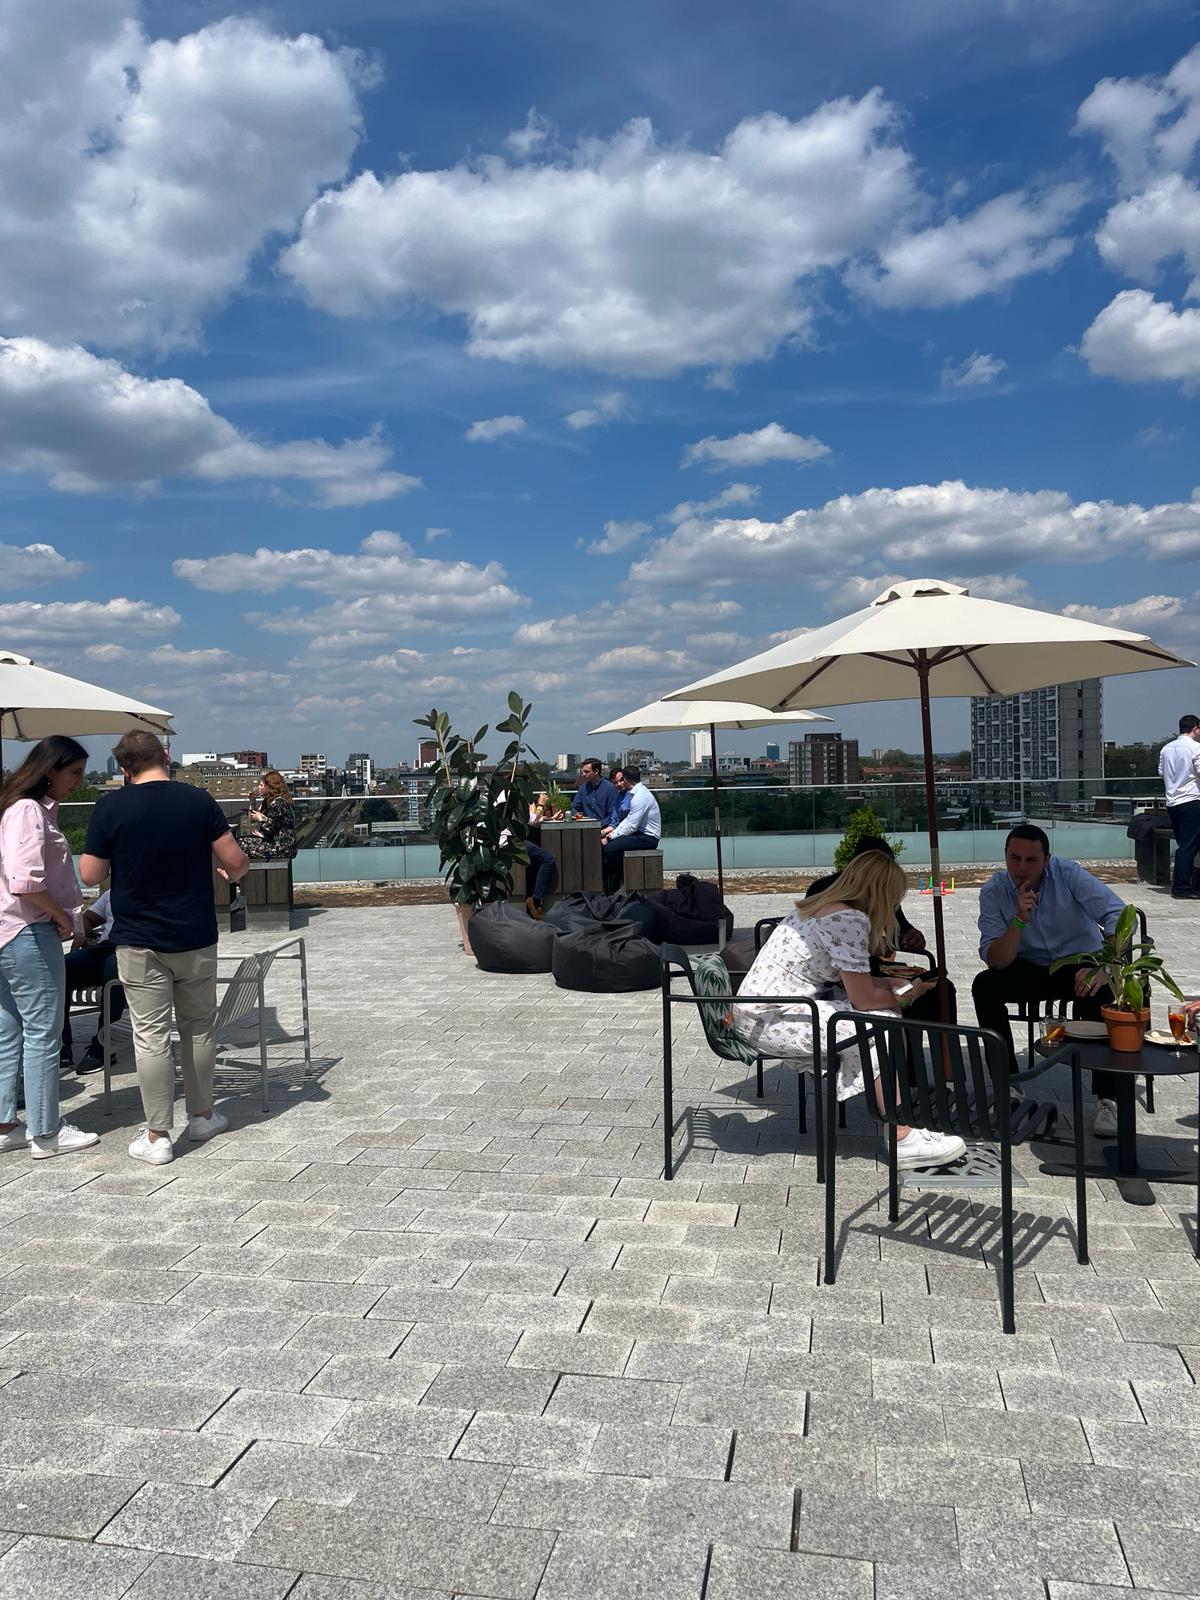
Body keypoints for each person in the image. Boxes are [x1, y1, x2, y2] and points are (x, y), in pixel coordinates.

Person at [733, 850, 966, 1169]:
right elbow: (863, 1000)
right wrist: (909, 994)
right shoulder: (849, 920)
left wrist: (884, 987)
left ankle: (898, 1127)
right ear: (882, 893)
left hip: (760, 1011)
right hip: (773, 1017)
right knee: (879, 1020)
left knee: (876, 1020)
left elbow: (858, 984)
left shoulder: (820, 907)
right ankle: (899, 1133)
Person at [80, 732, 249, 1166]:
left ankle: (157, 1135)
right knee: (199, 1027)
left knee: (150, 1036)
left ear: (123, 768)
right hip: (194, 934)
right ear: (166, 757)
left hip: (138, 939)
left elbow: (89, 872)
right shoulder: (198, 801)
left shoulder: (110, 807)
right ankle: (203, 1116)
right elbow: (236, 862)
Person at [971, 825, 1124, 1135]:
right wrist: (1018, 921)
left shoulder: (1068, 874)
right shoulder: (994, 890)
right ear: (1005, 857)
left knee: (1103, 991)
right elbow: (995, 959)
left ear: (1047, 860)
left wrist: (1103, 966)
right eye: (1014, 859)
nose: (1022, 868)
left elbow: (1117, 914)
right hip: (1031, 965)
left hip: (1080, 962)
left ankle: (1107, 1098)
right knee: (984, 985)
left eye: (1031, 860)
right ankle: (1007, 1086)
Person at [0, 736, 100, 1158]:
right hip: (28, 930)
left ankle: (7, 1124)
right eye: (74, 772)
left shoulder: (17, 809)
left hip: (8, 932)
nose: (78, 781)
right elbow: (25, 881)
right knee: (42, 1032)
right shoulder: (28, 811)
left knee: (8, 1031)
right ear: (49, 770)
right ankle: (46, 1131)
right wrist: (63, 916)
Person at [806, 837, 957, 1024]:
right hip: (840, 981)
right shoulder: (845, 913)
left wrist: (911, 937)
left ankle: (937, 1049)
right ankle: (923, 1050)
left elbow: (899, 932)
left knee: (940, 987)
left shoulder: (863, 895)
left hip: (853, 976)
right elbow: (863, 997)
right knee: (904, 1007)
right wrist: (911, 993)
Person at [62, 887, 125, 1072]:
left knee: (115, 970)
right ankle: (61, 1045)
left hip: (130, 951)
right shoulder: (112, 893)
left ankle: (103, 1045)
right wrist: (81, 932)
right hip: (102, 949)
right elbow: (89, 918)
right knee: (58, 970)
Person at [600, 764, 661, 892]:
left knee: (609, 848)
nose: (621, 783)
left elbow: (632, 825)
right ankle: (613, 886)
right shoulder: (635, 793)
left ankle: (616, 887)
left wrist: (610, 837)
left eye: (622, 780)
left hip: (648, 838)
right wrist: (612, 835)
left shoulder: (640, 797)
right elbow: (627, 821)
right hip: (640, 834)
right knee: (611, 848)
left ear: (626, 779)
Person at [1158, 715, 1200, 899]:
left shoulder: (1166, 749)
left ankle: (1188, 883)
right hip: (1192, 801)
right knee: (1188, 847)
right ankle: (1181, 887)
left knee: (1185, 844)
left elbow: (1161, 772)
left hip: (1173, 802)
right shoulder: (1195, 748)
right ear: (1196, 728)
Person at [242, 770, 297, 860]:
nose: (258, 788)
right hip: (275, 842)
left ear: (269, 787)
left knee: (244, 846)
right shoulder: (268, 801)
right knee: (240, 842)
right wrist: (252, 802)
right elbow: (252, 818)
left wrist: (261, 820)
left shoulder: (278, 803)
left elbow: (269, 828)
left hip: (284, 846)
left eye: (261, 785)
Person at [523, 797, 559, 920]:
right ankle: (535, 900)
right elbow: (532, 819)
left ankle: (532, 900)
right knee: (548, 859)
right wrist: (541, 805)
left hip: (515, 838)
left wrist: (551, 818)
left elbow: (530, 819)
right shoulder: (512, 795)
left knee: (535, 860)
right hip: (512, 841)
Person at [570, 758, 617, 824]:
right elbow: (574, 807)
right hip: (586, 828)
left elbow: (612, 815)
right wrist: (577, 815)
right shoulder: (583, 788)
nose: (583, 774)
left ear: (596, 771)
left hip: (604, 829)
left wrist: (597, 825)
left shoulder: (610, 788)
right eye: (583, 771)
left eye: (587, 771)